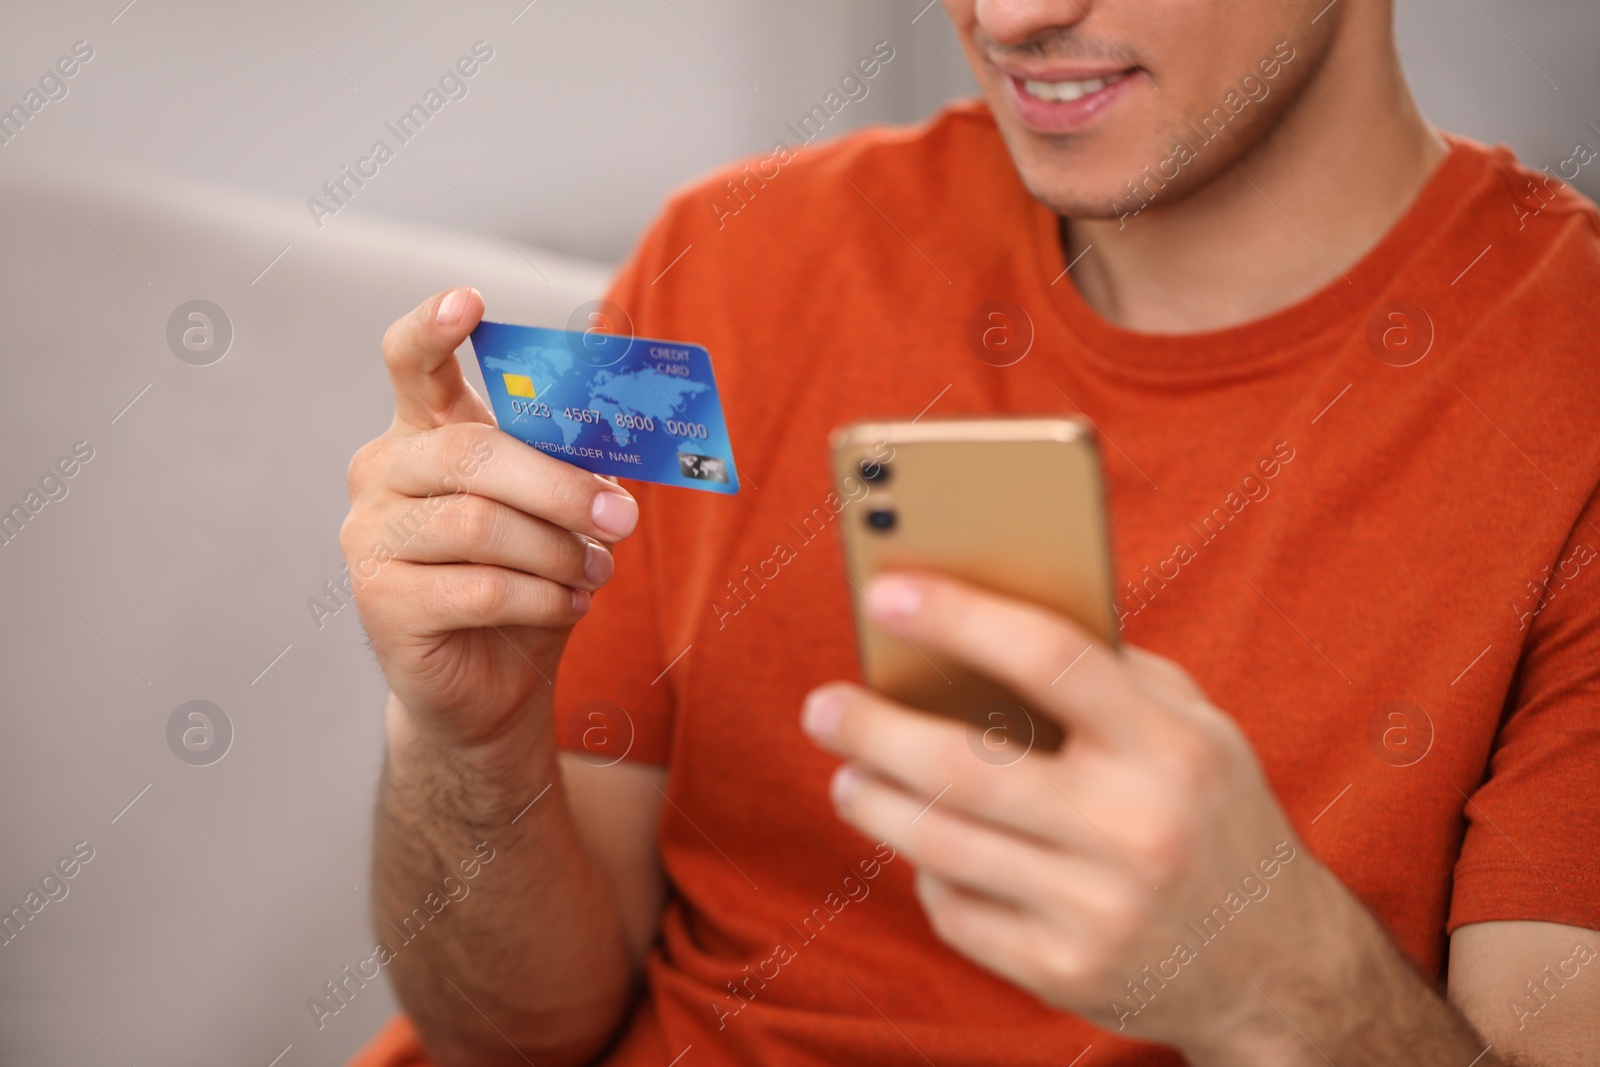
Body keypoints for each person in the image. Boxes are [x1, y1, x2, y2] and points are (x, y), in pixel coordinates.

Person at [343, 0, 1600, 1064]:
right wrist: (472, 743)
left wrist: (1279, 979)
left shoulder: (1568, 386)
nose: (1006, 19)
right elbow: (510, 1033)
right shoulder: (730, 260)